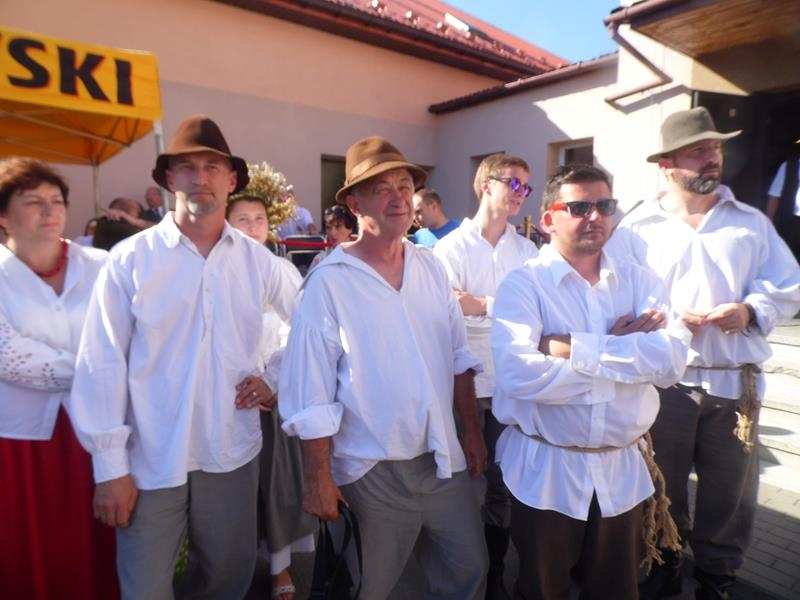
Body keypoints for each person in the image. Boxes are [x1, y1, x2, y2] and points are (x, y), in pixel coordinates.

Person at [67, 115, 302, 599]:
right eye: (188, 167)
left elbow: (311, 325)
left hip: (229, 449)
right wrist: (110, 467)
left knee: (228, 579)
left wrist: (275, 376)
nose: (200, 178)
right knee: (144, 586)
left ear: (231, 180)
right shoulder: (130, 259)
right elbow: (101, 361)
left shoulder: (259, 261)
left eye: (212, 167)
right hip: (151, 454)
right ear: (169, 179)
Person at [279, 135, 489, 599]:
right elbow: (310, 393)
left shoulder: (432, 268)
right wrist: (318, 478)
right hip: (371, 466)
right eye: (382, 189)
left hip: (442, 458)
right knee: (376, 587)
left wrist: (471, 432)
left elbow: (458, 357)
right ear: (355, 204)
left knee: (468, 571)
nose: (399, 198)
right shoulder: (329, 283)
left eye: (404, 187)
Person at [611, 107, 800, 600]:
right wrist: (668, 320)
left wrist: (750, 309)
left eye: (716, 148)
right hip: (665, 384)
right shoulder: (635, 229)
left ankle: (718, 578)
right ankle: (664, 563)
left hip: (734, 382)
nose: (712, 157)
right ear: (667, 164)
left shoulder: (751, 223)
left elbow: (787, 284)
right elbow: (617, 297)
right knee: (661, 485)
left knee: (730, 494)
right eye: (699, 150)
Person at [491, 164, 692, 600]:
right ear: (549, 219)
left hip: (620, 473)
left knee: (616, 590)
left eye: (604, 205)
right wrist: (625, 357)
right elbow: (518, 374)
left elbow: (671, 362)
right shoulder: (523, 285)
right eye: (579, 207)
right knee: (542, 591)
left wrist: (577, 348)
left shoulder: (641, 281)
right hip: (547, 472)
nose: (595, 216)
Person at [0, 158, 118, 599]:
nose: (50, 210)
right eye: (33, 201)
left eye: (56, 201)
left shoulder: (103, 266)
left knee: (96, 550)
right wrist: (102, 369)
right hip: (19, 442)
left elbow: (129, 337)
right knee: (25, 550)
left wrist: (109, 368)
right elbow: (8, 355)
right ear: (3, 215)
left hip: (100, 435)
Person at [433, 152, 538, 600]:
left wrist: (484, 306)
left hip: (513, 384)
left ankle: (494, 575)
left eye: (525, 187)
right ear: (484, 184)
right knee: (466, 482)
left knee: (502, 486)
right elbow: (448, 316)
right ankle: (461, 574)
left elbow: (534, 315)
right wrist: (499, 311)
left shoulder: (528, 251)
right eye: (512, 183)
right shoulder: (450, 249)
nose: (520, 194)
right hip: (468, 386)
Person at [226, 179, 314, 600]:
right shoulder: (216, 270)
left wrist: (273, 380)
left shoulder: (279, 269)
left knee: (277, 486)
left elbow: (298, 329)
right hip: (227, 396)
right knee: (233, 493)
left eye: (259, 219)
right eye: (242, 219)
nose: (251, 226)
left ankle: (279, 565)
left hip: (271, 392)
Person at [766, 139, 800, 261]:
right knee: (787, 258)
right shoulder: (789, 166)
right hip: (791, 223)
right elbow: (774, 195)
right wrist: (769, 224)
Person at [309, 204, 357, 270]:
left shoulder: (360, 258)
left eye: (338, 226)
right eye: (328, 227)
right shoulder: (319, 259)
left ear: (350, 229)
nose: (332, 233)